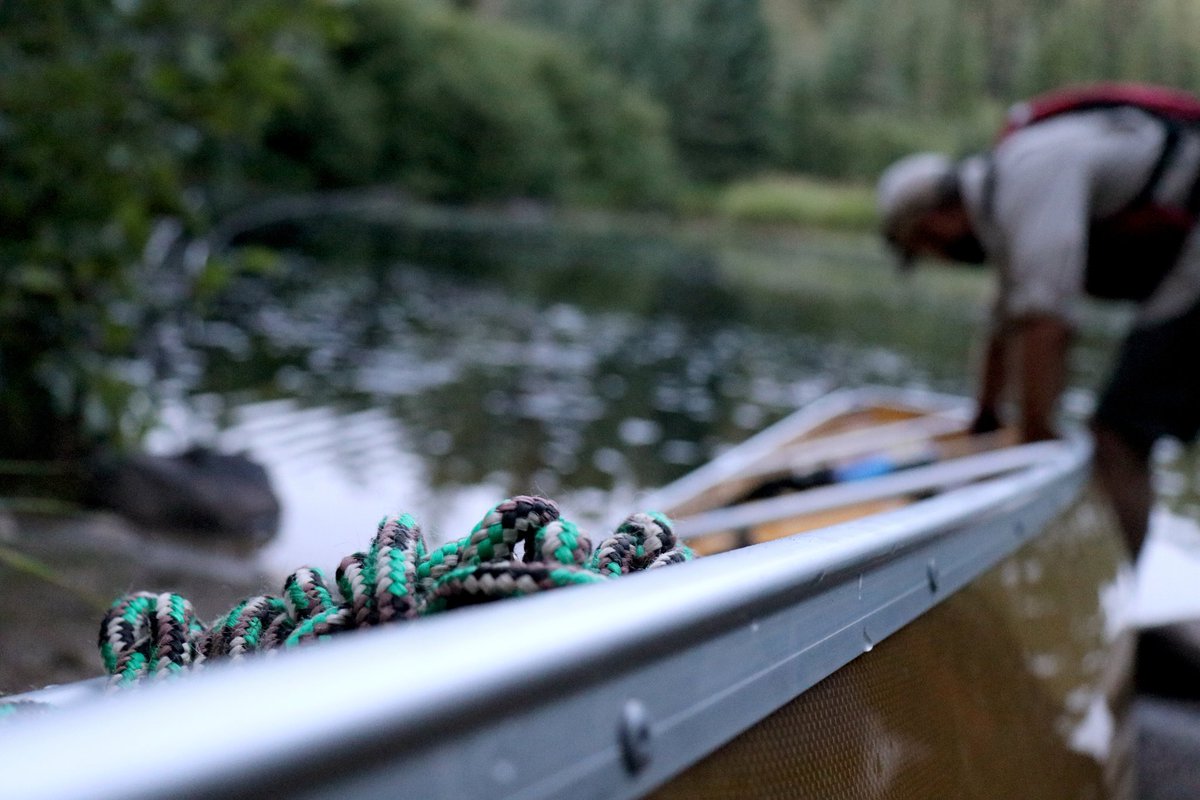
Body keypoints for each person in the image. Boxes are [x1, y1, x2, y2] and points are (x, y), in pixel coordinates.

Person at [877, 91, 1200, 560]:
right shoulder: (1004, 199)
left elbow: (1046, 324)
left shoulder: (1027, 177)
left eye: (924, 248)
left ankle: (1120, 582)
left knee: (1119, 436)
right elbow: (1004, 322)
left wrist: (1033, 447)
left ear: (937, 220)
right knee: (1115, 428)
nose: (940, 260)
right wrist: (985, 421)